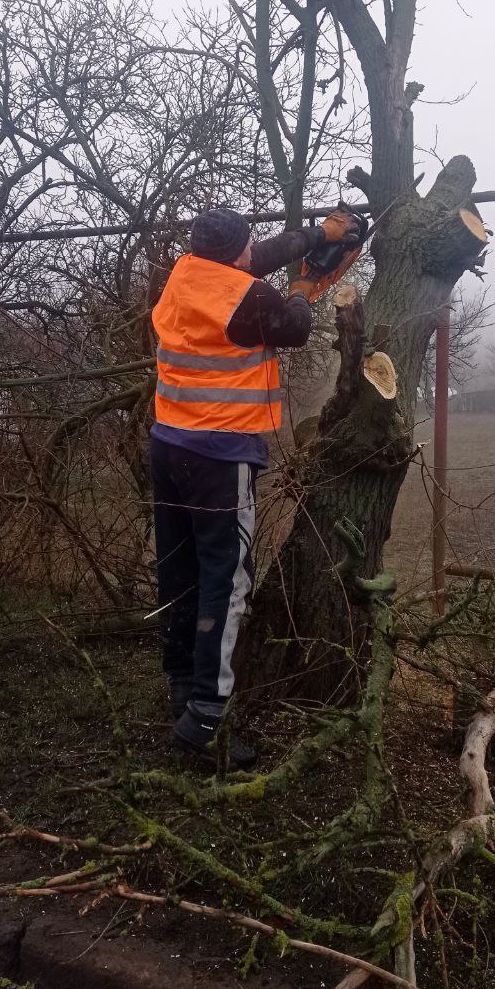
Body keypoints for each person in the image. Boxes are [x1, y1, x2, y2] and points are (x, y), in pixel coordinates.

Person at [149, 205, 361, 769]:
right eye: (247, 248)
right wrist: (308, 285)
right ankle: (206, 719)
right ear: (233, 254)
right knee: (227, 580)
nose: (252, 255)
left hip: (169, 444)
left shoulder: (186, 272)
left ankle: (181, 685)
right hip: (220, 455)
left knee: (180, 567)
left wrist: (318, 235)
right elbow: (292, 324)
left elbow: (254, 257)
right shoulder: (253, 301)